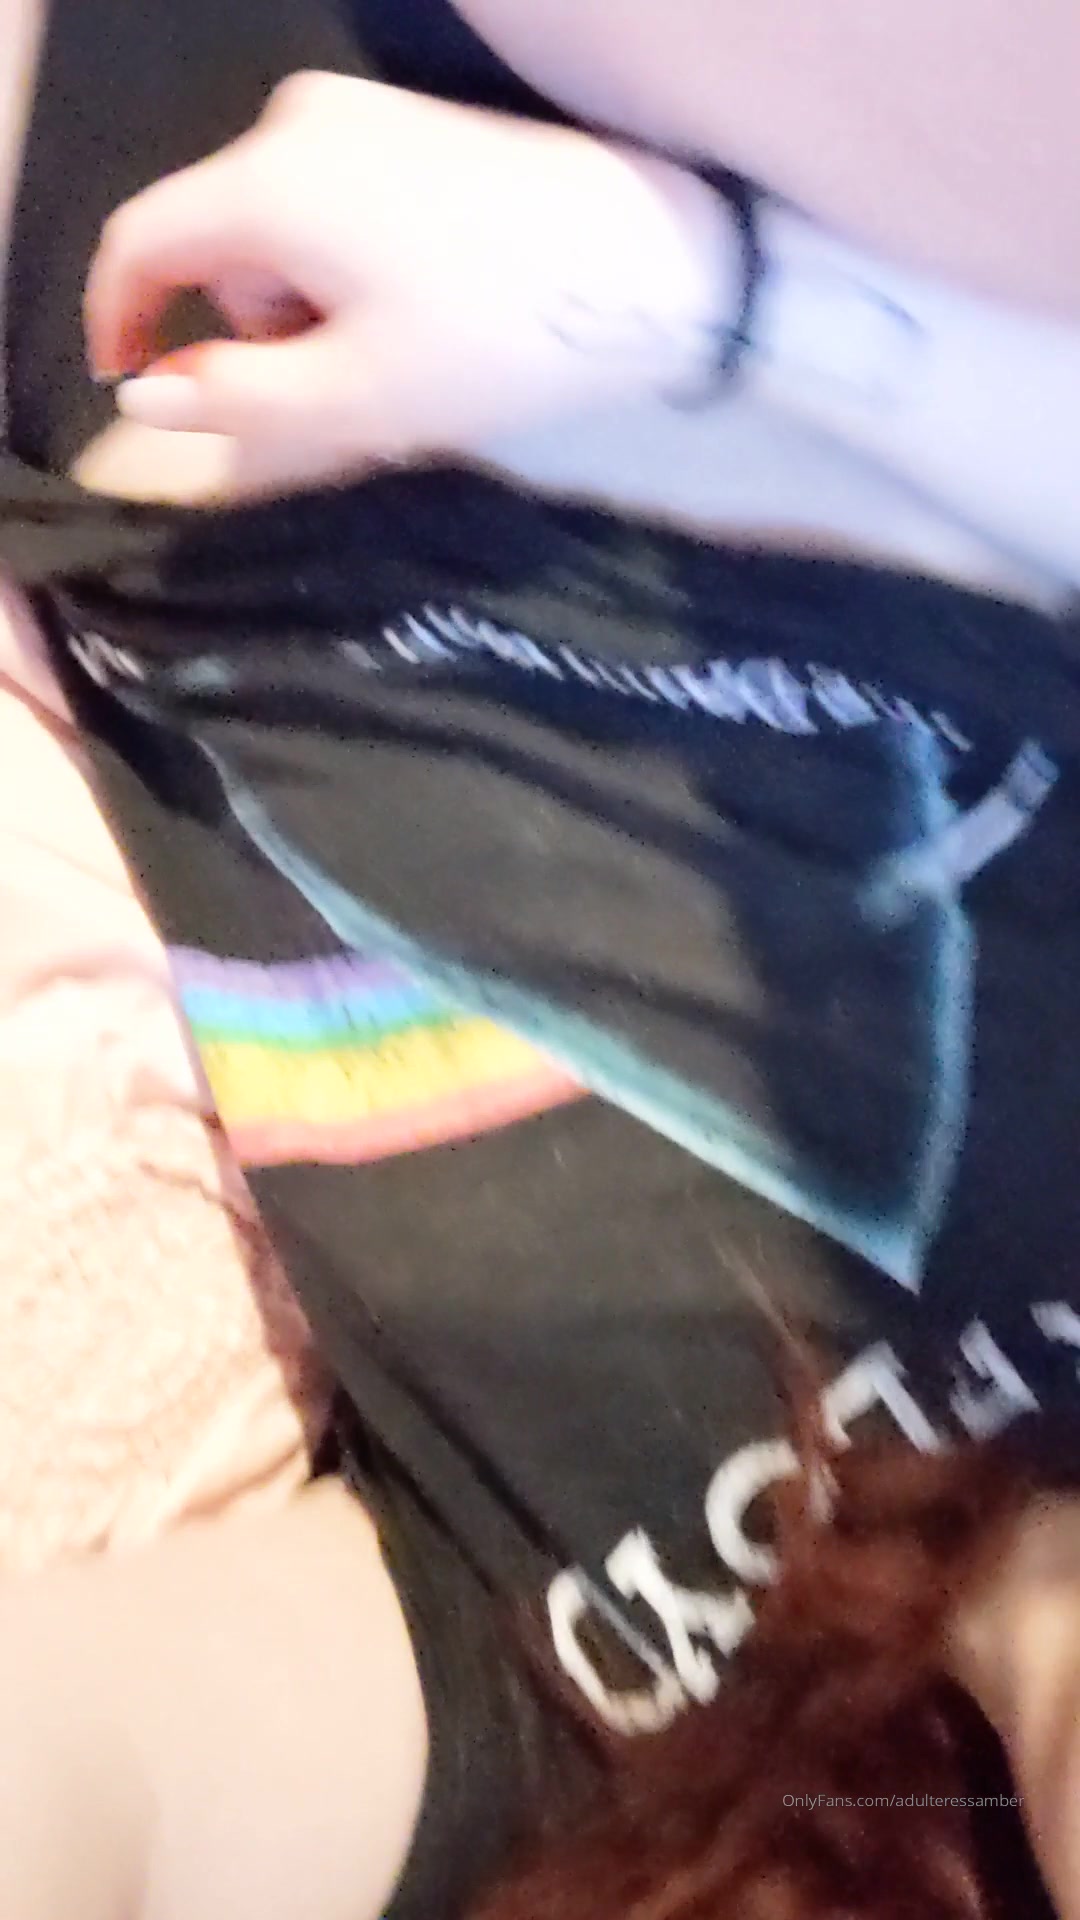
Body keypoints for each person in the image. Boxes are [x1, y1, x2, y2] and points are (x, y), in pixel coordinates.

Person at [0, 4, 1079, 1920]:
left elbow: (88, 1773)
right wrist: (680, 296)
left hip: (164, 313)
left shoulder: (678, 1774)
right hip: (805, 235)